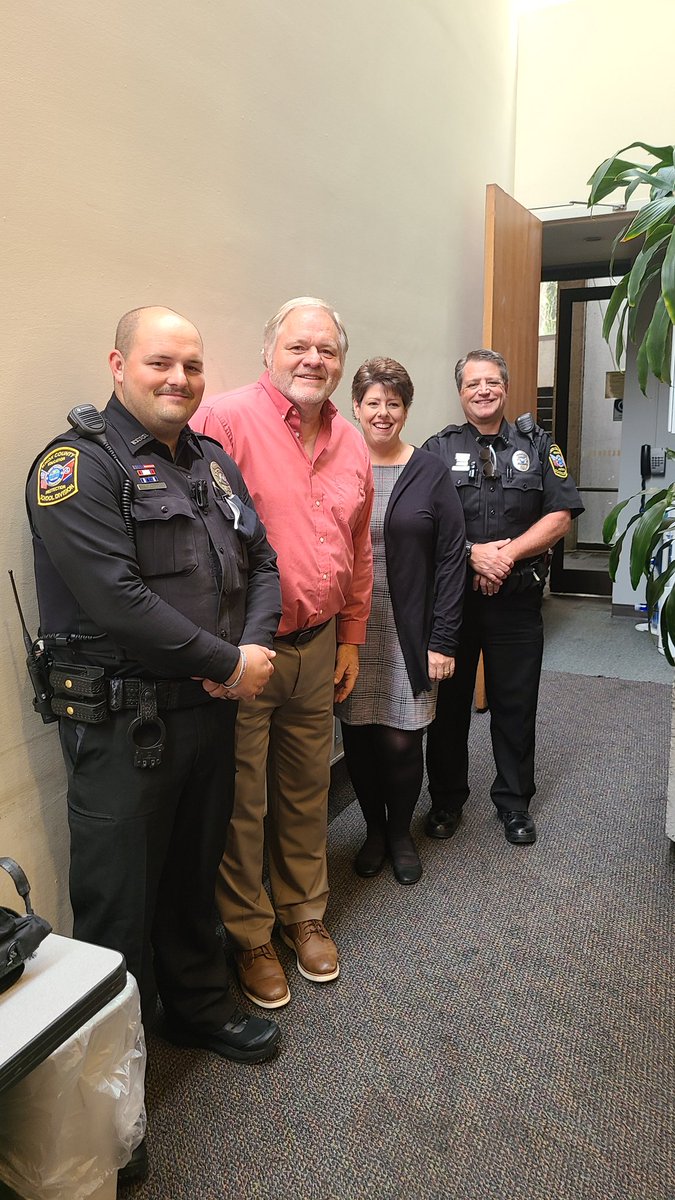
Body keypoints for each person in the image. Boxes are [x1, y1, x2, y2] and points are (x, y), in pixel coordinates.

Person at [25, 306, 283, 1070]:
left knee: (195, 871)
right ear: (117, 365)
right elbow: (116, 599)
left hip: (207, 709)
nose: (179, 379)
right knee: (119, 903)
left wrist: (252, 648)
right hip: (123, 724)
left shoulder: (208, 461)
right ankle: (108, 1082)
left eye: (192, 366)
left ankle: (196, 1006)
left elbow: (261, 561)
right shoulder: (73, 467)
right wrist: (230, 662)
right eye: (159, 363)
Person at [191, 297, 373, 1010]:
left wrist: (352, 636)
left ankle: (304, 915)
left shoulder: (351, 440)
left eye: (326, 350)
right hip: (247, 651)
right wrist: (219, 652)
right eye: (299, 346)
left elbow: (358, 550)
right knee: (242, 801)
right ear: (271, 349)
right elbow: (195, 544)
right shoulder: (225, 421)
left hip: (320, 642)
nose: (313, 361)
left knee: (306, 790)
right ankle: (250, 935)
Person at [423, 348, 584, 845]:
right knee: (448, 708)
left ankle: (514, 803)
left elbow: (560, 515)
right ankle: (447, 801)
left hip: (515, 601)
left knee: (516, 705)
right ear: (461, 392)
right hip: (454, 604)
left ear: (506, 388)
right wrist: (474, 554)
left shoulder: (537, 447)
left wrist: (505, 556)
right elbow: (425, 522)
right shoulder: (438, 449)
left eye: (491, 382)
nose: (483, 391)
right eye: (473, 383)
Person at [335, 358, 466, 885]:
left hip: (411, 628)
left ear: (406, 410)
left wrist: (443, 638)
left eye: (393, 403)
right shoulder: (338, 463)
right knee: (360, 737)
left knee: (403, 738)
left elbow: (453, 556)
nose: (383, 413)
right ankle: (371, 830)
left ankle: (400, 834)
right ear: (356, 408)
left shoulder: (429, 469)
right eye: (373, 403)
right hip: (351, 627)